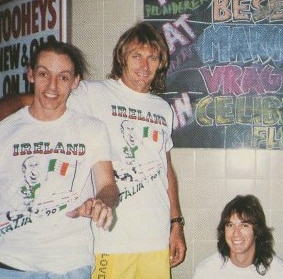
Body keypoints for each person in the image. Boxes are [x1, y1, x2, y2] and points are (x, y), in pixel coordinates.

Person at [0, 22, 187, 278]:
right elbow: (40, 98)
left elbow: (166, 170)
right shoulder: (93, 93)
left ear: (161, 62)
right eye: (137, 56)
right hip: (110, 239)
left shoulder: (162, 108)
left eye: (152, 58)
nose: (145, 66)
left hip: (154, 238)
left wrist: (176, 223)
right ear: (122, 57)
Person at [0, 41, 118, 278]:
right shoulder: (6, 129)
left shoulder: (92, 129)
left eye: (63, 77)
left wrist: (102, 202)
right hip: (11, 262)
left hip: (69, 265)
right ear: (31, 74)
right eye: (44, 74)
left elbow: (108, 186)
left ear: (75, 81)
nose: (52, 86)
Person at [193, 194, 283, 279]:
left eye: (244, 225)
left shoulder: (279, 273)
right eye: (230, 225)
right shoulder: (205, 271)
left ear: (257, 231)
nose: (236, 233)